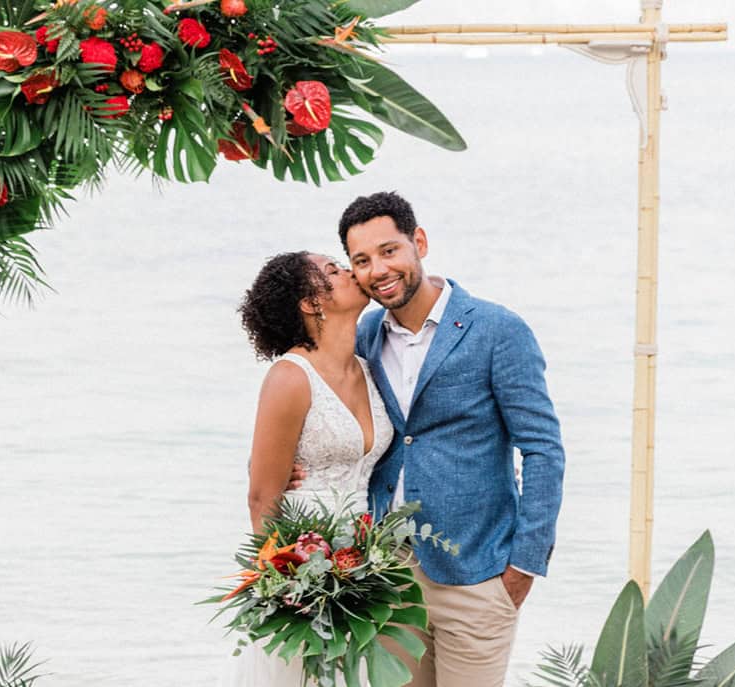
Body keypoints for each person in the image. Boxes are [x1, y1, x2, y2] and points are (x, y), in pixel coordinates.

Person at [295, 191, 565, 686]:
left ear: (418, 241)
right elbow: (328, 412)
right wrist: (299, 465)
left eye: (389, 250)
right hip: (387, 575)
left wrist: (522, 567)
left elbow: (543, 447)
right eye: (362, 260)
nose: (378, 269)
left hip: (478, 575)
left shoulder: (497, 330)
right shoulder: (365, 337)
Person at [223, 250, 392, 686]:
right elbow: (262, 495)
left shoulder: (371, 369)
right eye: (333, 271)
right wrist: (285, 588)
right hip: (302, 570)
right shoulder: (290, 377)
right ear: (310, 302)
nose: (351, 272)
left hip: (360, 569)